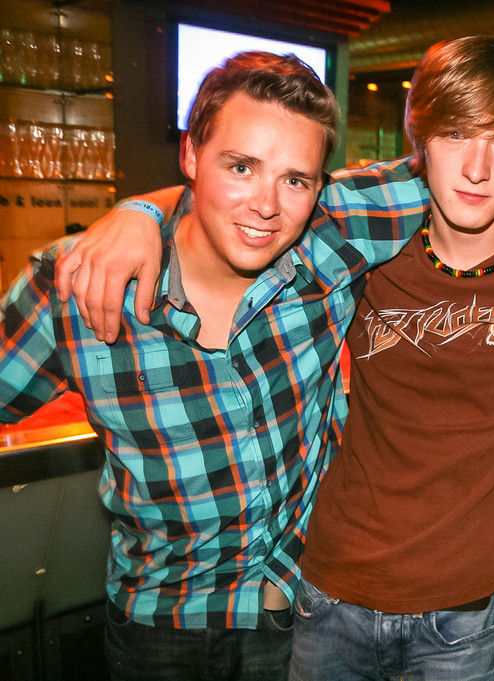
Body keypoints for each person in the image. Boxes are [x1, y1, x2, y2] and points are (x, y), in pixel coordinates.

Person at [0, 51, 394, 681]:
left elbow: (480, 160)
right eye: (240, 167)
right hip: (156, 626)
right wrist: (139, 211)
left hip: (298, 612)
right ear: (190, 155)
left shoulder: (332, 240)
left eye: (296, 180)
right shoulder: (76, 284)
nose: (266, 205)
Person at [288, 36, 494, 681]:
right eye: (455, 135)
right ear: (420, 138)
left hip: (462, 619)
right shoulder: (366, 247)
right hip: (331, 591)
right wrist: (139, 213)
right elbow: (247, 197)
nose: (477, 169)